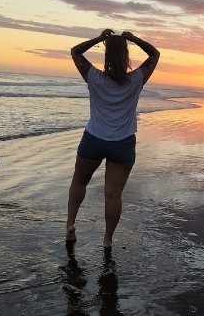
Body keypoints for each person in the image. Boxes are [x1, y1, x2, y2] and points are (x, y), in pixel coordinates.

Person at [65, 28, 160, 249]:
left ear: (106, 55)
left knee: (79, 182)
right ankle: (107, 239)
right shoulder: (136, 79)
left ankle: (70, 224)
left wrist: (99, 39)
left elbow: (76, 52)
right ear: (126, 56)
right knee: (113, 194)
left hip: (93, 139)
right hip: (123, 143)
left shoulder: (93, 77)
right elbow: (154, 55)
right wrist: (134, 39)